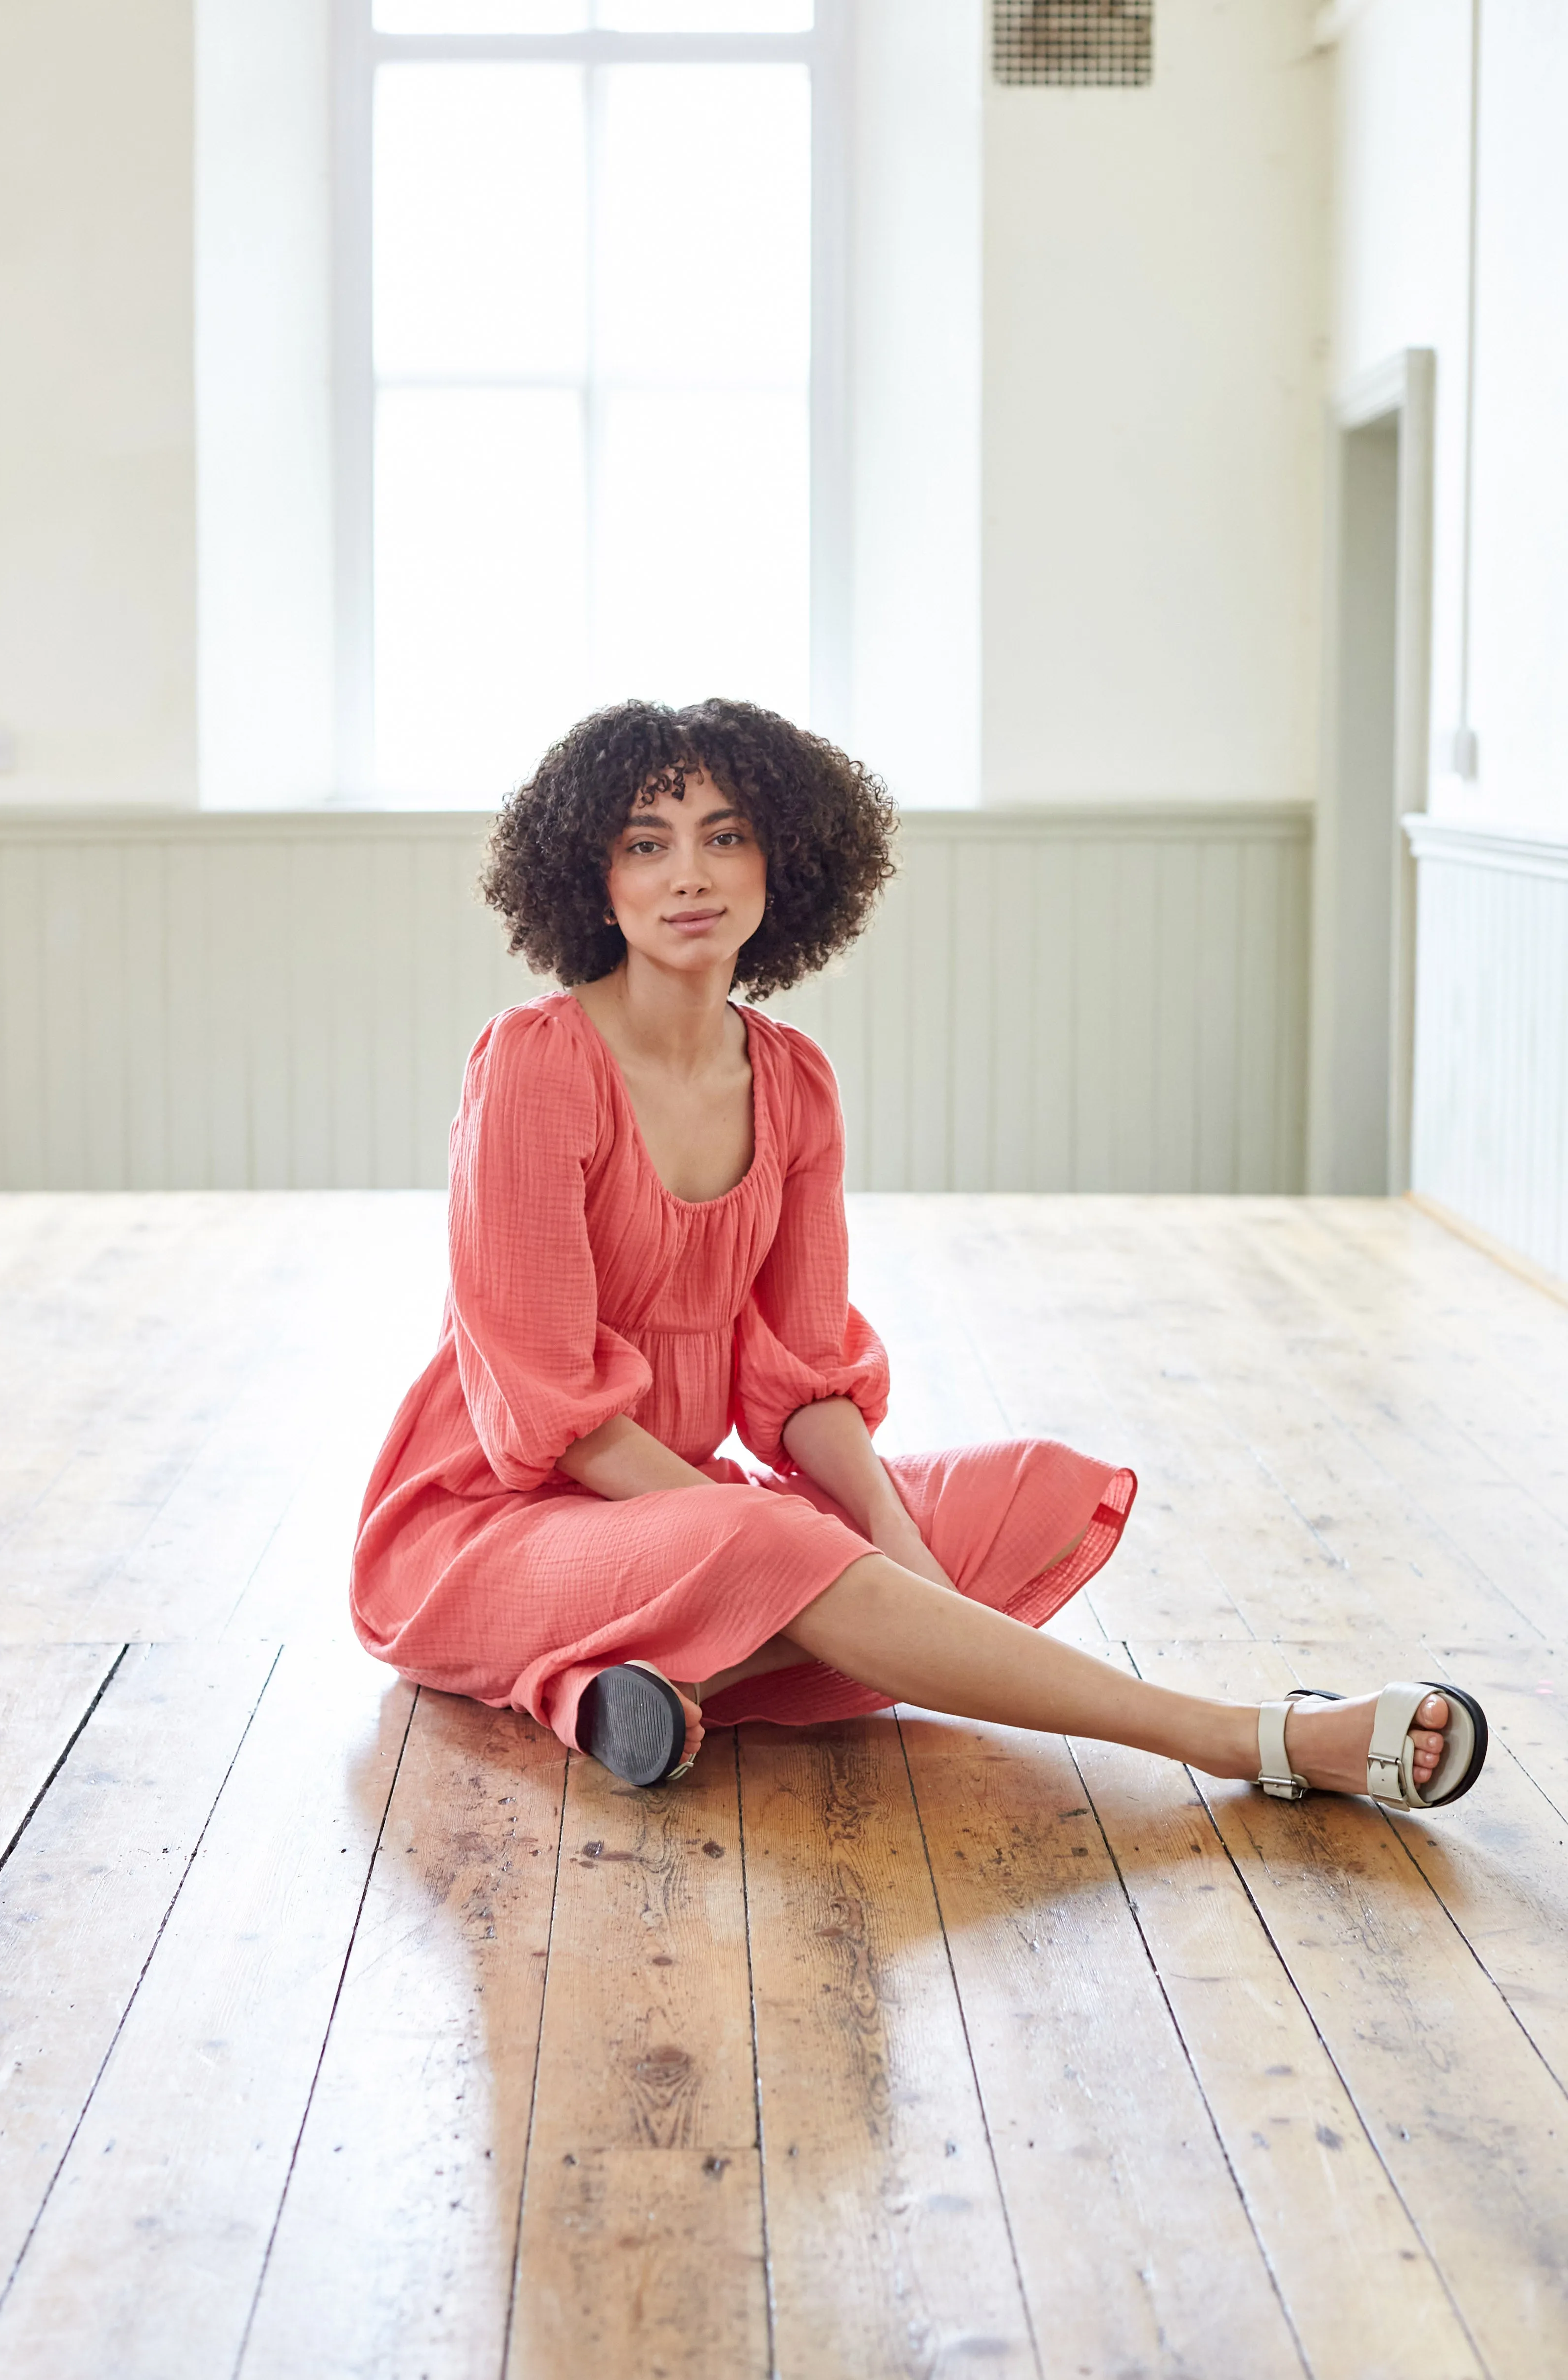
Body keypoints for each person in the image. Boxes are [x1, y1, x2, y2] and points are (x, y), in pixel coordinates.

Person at [351, 700, 1486, 1815]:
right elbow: (563, 1417)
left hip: (685, 1522)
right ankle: (1251, 1738)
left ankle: (636, 1680)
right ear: (593, 877)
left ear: (783, 860)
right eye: (647, 845)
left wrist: (895, 1552)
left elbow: (797, 1381)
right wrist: (780, 1543)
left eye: (726, 836)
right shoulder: (534, 1063)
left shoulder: (793, 1083)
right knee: (772, 1542)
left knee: (1025, 1489)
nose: (689, 875)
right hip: (487, 1534)